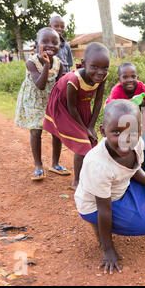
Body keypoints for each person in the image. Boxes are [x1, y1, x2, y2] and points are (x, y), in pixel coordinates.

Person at [74, 99, 145, 274]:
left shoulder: (138, 143)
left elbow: (132, 169)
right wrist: (108, 249)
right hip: (95, 206)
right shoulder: (98, 164)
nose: (125, 139)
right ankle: (99, 230)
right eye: (116, 132)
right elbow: (104, 210)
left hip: (120, 188)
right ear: (102, 131)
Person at [43, 42, 109, 189]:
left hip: (82, 106)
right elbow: (71, 107)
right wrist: (84, 129)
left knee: (91, 141)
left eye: (105, 68)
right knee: (82, 143)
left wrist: (91, 126)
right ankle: (77, 182)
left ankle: (89, 176)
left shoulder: (102, 77)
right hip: (63, 105)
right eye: (94, 67)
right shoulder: (74, 80)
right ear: (84, 63)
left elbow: (98, 102)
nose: (100, 72)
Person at [14, 27, 67, 181]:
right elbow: (40, 85)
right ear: (36, 44)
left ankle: (55, 163)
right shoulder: (31, 62)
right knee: (36, 131)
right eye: (45, 41)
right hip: (34, 100)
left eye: (54, 42)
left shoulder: (59, 64)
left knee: (56, 131)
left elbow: (58, 86)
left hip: (51, 100)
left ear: (59, 46)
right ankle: (38, 165)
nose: (50, 45)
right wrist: (45, 65)